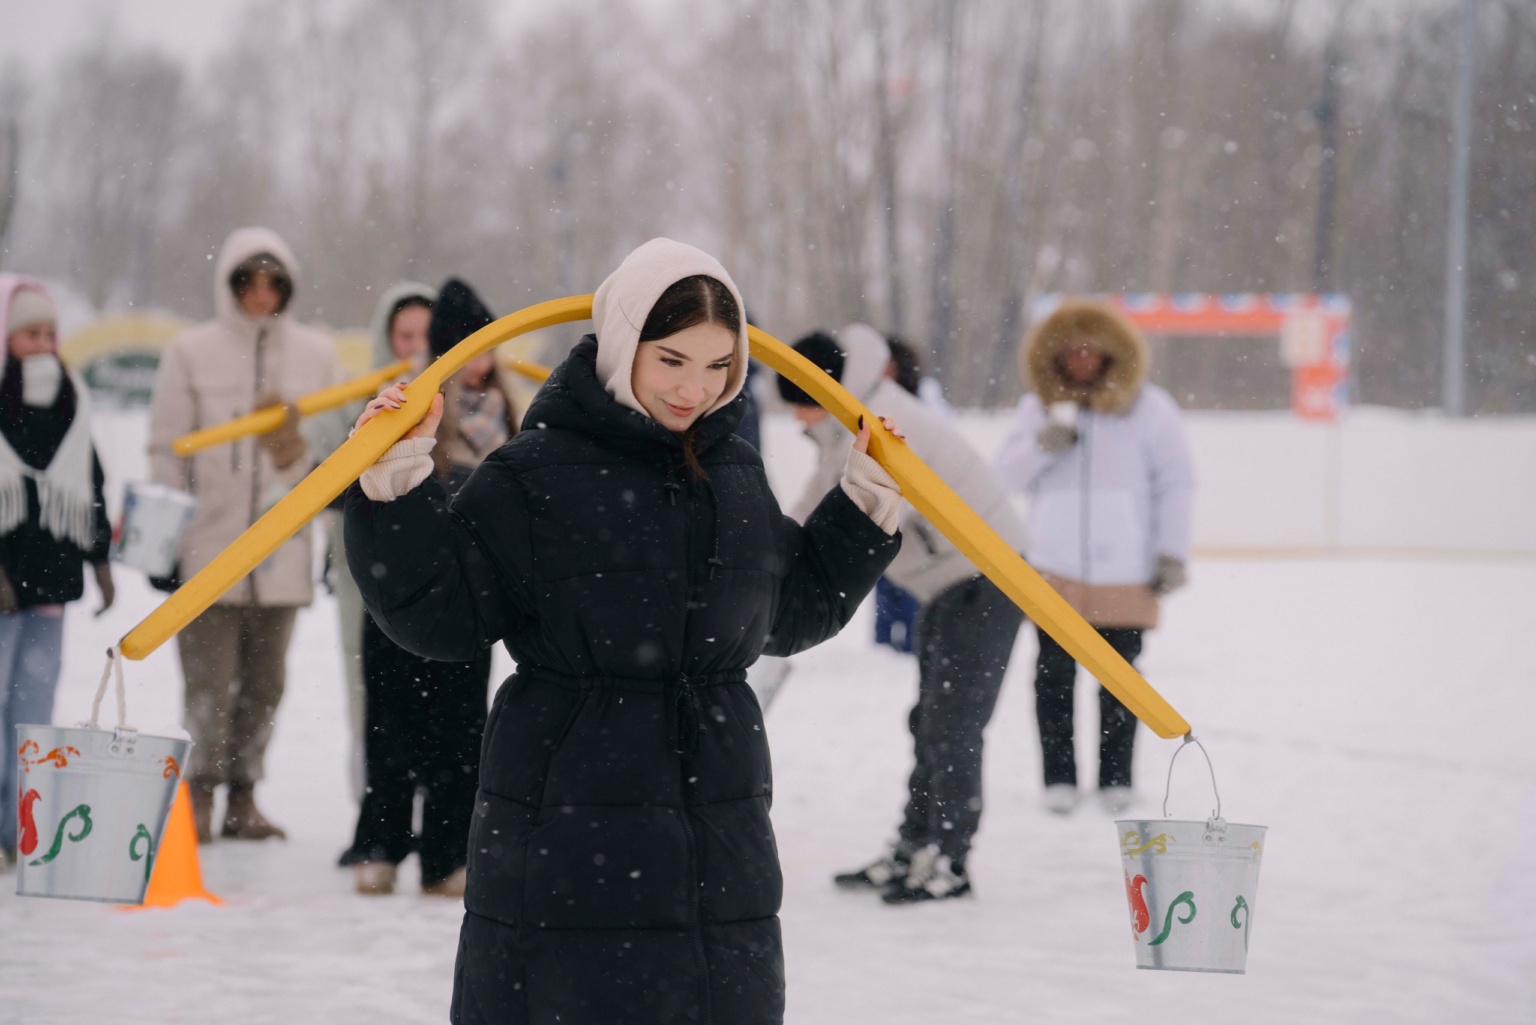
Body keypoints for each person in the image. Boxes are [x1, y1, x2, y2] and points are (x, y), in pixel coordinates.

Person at [345, 238, 901, 1024]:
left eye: (719, 365)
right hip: (569, 824)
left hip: (717, 836)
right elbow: (439, 613)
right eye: (671, 359)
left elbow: (791, 606)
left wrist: (867, 501)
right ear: (621, 343)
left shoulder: (735, 473)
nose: (694, 388)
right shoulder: (535, 475)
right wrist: (395, 483)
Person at [779, 324, 1028, 904]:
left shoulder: (883, 425)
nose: (796, 421)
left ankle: (949, 857)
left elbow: (858, 508)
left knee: (952, 724)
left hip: (986, 577)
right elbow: (811, 503)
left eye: (800, 407)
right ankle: (915, 845)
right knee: (930, 720)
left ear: (821, 392)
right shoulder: (852, 419)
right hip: (947, 584)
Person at [148, 227, 341, 843]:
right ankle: (199, 794)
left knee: (265, 684)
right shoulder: (192, 352)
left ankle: (244, 796)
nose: (261, 295)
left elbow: (333, 449)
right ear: (229, 285)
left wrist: (295, 455)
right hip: (209, 548)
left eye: (272, 283)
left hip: (283, 551)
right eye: (248, 282)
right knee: (208, 682)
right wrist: (163, 540)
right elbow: (167, 450)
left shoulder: (315, 355)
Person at [342, 279, 516, 898]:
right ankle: (381, 845)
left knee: (462, 731)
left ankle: (446, 856)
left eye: (488, 345)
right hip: (400, 593)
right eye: (468, 346)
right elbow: (358, 488)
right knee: (390, 726)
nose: (481, 360)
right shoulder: (409, 404)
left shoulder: (508, 414)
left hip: (471, 599)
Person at [992, 299, 1194, 815]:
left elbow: (1176, 482)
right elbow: (1003, 478)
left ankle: (1116, 779)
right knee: (1053, 677)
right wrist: (1043, 445)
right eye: (1071, 351)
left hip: (1125, 570)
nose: (1082, 360)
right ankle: (1059, 778)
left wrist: (1171, 552)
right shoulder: (1037, 409)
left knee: (1122, 680)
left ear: (1111, 354)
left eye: (1091, 350)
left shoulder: (1151, 409)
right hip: (1054, 568)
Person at [0, 277, 114, 870]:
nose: (42, 344)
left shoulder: (73, 401)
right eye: (29, 333)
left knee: (34, 706)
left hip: (50, 579)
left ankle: (19, 828)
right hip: (4, 580)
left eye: (49, 333)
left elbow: (90, 485)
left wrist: (101, 560)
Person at [324, 283, 436, 806]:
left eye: (426, 336)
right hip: (366, 571)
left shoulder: (456, 402)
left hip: (433, 573)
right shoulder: (358, 401)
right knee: (370, 681)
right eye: (404, 336)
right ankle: (377, 802)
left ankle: (430, 804)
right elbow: (324, 480)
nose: (415, 348)